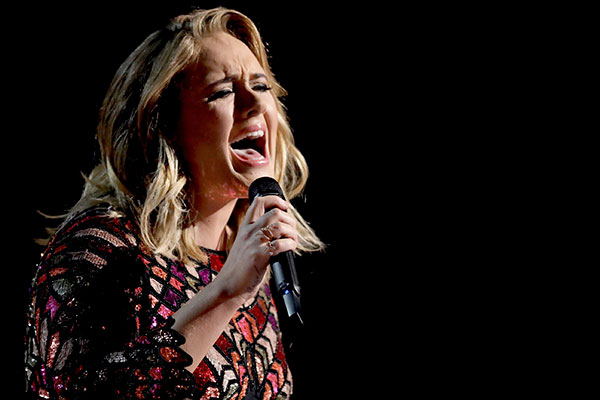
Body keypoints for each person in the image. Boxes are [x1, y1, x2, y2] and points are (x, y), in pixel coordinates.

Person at [24, 7, 324, 399]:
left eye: (261, 86)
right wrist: (226, 293)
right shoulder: (101, 250)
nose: (255, 103)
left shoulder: (246, 258)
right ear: (164, 126)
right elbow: (81, 390)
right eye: (223, 92)